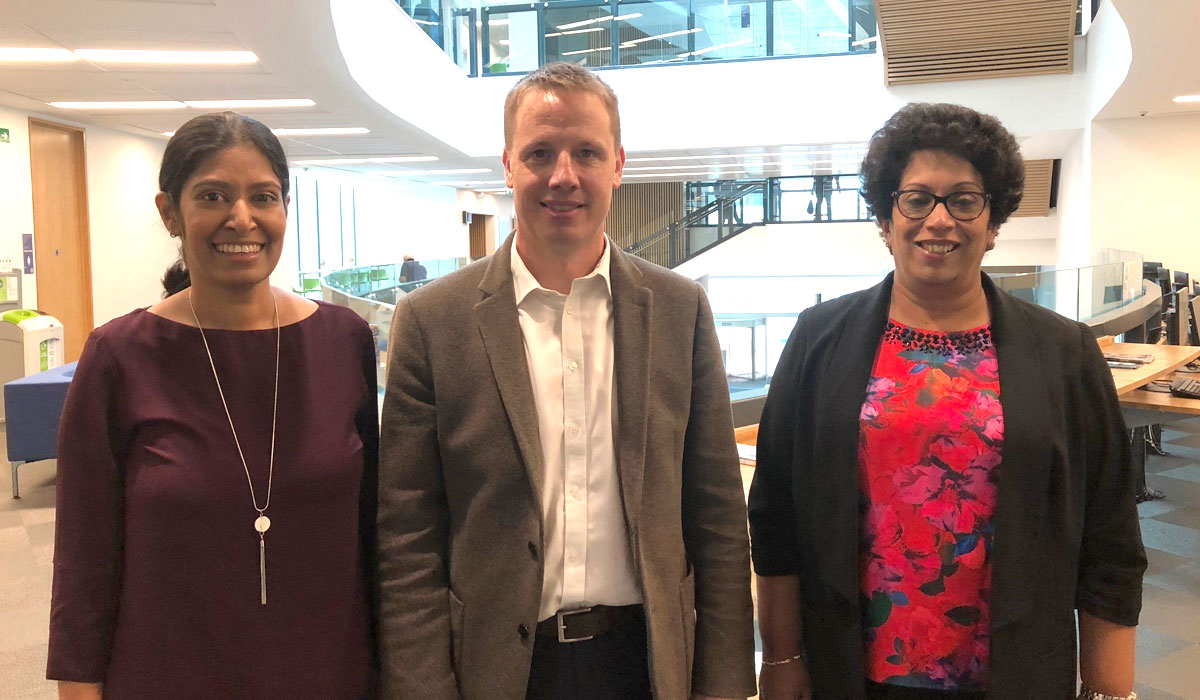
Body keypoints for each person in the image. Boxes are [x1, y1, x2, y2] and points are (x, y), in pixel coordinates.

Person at [376, 62, 756, 700]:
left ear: (617, 165)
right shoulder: (430, 321)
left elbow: (716, 513)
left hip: (646, 664)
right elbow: (407, 533)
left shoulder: (679, 310)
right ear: (507, 165)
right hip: (495, 671)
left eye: (586, 152)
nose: (563, 176)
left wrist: (722, 682)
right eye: (540, 153)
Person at [748, 103, 1146, 700]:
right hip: (850, 673)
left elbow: (1110, 537)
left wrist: (1112, 693)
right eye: (916, 199)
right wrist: (781, 660)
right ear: (886, 218)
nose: (939, 220)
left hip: (1016, 675)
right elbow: (775, 518)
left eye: (964, 200)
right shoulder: (817, 339)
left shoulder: (1064, 351)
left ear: (993, 222)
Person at [47, 112, 379, 700]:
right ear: (169, 212)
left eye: (264, 197)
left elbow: (376, 533)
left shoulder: (343, 340)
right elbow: (84, 559)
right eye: (213, 196)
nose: (242, 218)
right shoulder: (118, 357)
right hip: (169, 674)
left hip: (331, 672)